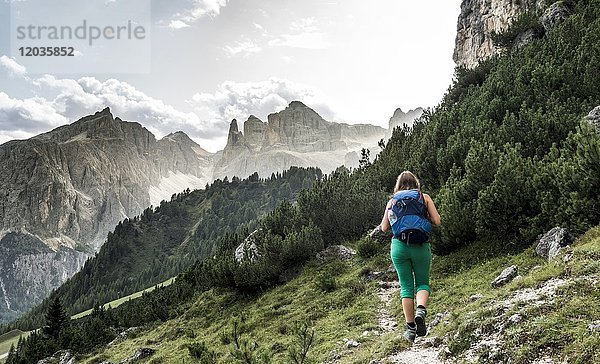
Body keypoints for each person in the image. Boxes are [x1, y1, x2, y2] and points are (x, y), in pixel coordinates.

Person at [370, 171, 441, 343]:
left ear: (398, 185)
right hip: (421, 246)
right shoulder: (424, 198)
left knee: (406, 287)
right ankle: (421, 311)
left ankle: (410, 329)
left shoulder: (392, 200)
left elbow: (384, 227)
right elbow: (437, 221)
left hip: (399, 247)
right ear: (416, 183)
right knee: (423, 282)